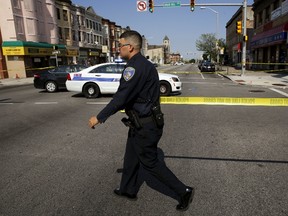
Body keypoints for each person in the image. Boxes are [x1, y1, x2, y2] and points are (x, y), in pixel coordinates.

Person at [88, 30, 194, 211]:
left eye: (120, 45)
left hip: (145, 125)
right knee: (130, 158)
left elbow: (120, 98)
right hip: (142, 122)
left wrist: (99, 117)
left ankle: (183, 190)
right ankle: (128, 189)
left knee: (150, 163)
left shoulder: (134, 67)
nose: (117, 49)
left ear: (129, 47)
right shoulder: (145, 64)